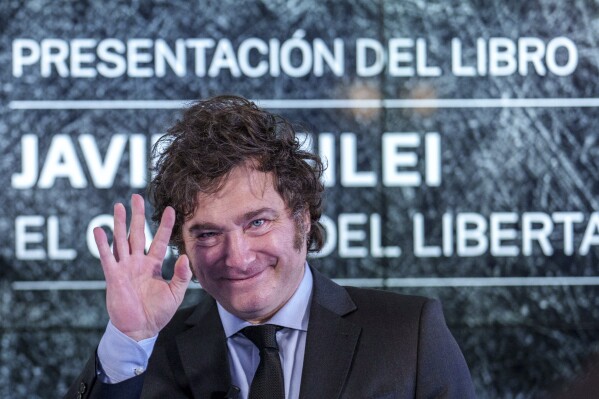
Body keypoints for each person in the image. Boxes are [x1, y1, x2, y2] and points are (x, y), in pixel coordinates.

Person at [65, 95, 476, 399]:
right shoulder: (143, 354)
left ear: (302, 217)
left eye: (257, 222)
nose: (238, 256)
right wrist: (130, 337)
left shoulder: (409, 334)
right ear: (182, 246)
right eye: (208, 234)